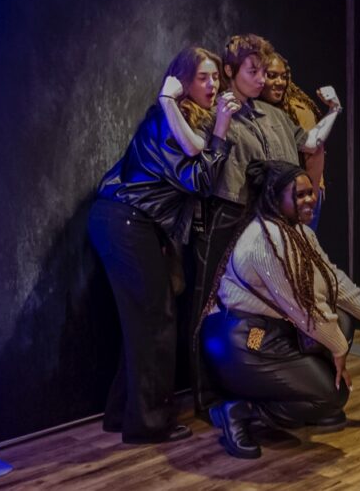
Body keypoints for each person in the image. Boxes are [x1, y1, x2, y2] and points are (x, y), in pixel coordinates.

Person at [170, 34, 343, 411]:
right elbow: (196, 160)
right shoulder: (213, 112)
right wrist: (210, 117)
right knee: (208, 305)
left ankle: (255, 391)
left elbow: (310, 142)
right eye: (254, 71)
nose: (263, 79)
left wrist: (333, 113)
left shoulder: (276, 115)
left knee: (268, 303)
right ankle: (207, 396)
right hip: (226, 215)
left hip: (270, 223)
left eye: (265, 71)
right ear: (231, 71)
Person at [199, 160, 360, 458]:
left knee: (341, 327)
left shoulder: (299, 232)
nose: (310, 199)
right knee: (330, 393)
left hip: (272, 329)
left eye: (311, 193)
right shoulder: (265, 240)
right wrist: (338, 351)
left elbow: (331, 279)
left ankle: (312, 402)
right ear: (274, 198)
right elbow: (303, 309)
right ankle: (241, 412)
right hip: (243, 338)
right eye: (300, 195)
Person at [88, 45, 237, 444]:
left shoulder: (182, 119)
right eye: (202, 77)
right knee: (155, 322)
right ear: (183, 81)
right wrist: (221, 130)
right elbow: (200, 181)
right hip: (127, 222)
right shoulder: (166, 118)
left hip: (132, 223)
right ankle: (148, 424)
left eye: (214, 77)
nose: (212, 84)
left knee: (144, 322)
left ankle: (124, 413)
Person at [260, 52, 327, 229]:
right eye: (272, 75)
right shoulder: (255, 107)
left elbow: (315, 151)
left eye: (283, 76)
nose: (280, 82)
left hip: (303, 191)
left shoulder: (297, 109)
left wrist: (308, 196)